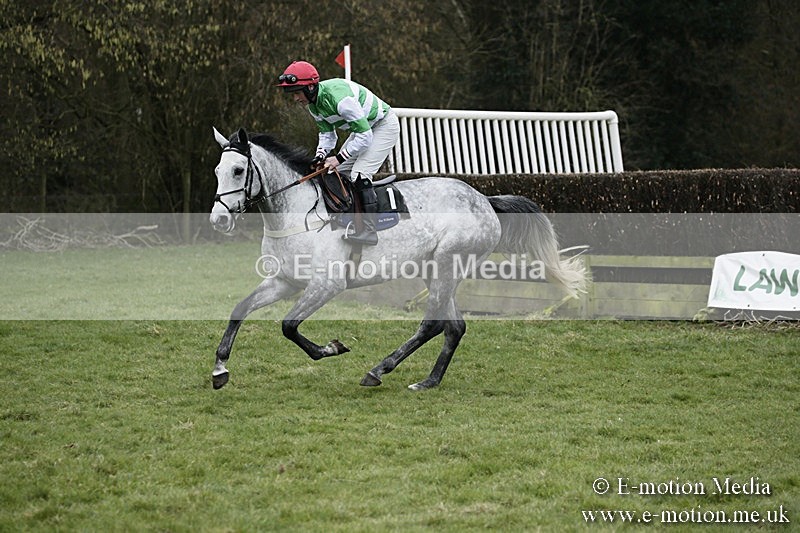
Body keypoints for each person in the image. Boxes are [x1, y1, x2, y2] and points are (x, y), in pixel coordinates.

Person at [277, 60, 399, 246]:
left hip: (383, 126)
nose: (295, 98)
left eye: (297, 92)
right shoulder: (314, 105)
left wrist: (339, 158)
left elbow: (365, 136)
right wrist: (320, 156)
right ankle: (348, 220)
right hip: (363, 131)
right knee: (334, 173)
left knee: (359, 174)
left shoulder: (341, 100)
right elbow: (327, 135)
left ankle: (368, 230)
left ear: (310, 87)